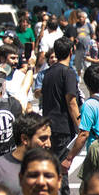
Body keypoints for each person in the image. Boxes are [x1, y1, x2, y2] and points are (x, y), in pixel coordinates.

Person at [0, 112, 52, 195]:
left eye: (49, 138)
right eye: (43, 138)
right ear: (25, 139)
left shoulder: (50, 166)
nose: (48, 144)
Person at [40, 37, 82, 185]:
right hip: (63, 126)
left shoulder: (48, 72)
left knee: (54, 165)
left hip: (49, 124)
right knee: (61, 168)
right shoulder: (68, 72)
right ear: (71, 51)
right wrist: (80, 126)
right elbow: (71, 102)